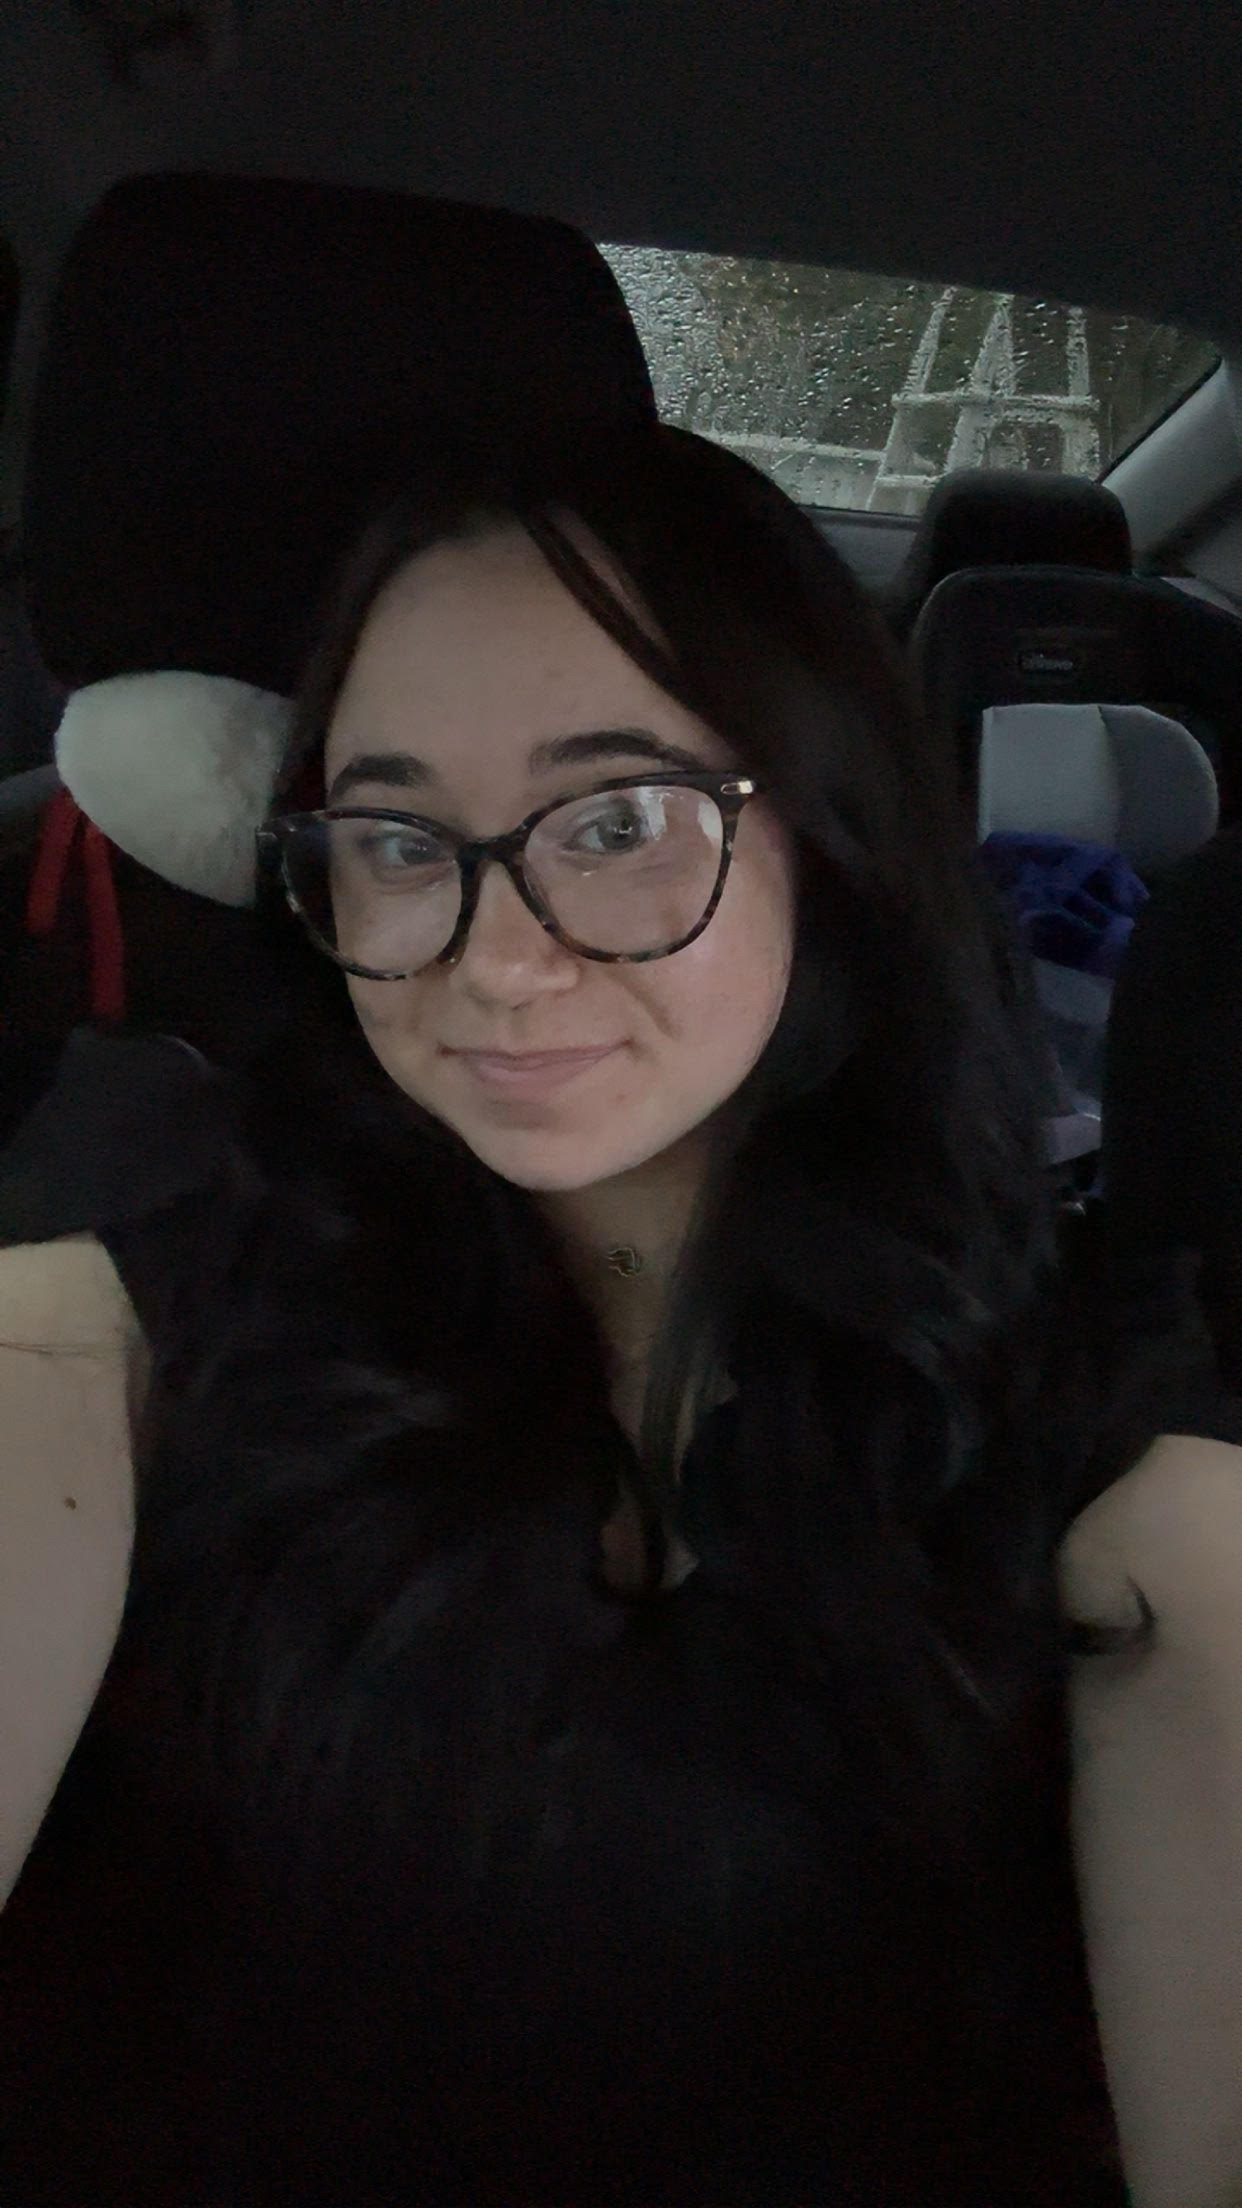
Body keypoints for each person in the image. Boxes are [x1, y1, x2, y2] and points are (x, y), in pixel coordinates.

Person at [0, 424, 1233, 2207]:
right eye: (398, 838)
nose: (495, 960)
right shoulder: (138, 1287)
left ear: (829, 832)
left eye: (618, 822)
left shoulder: (1087, 1399)